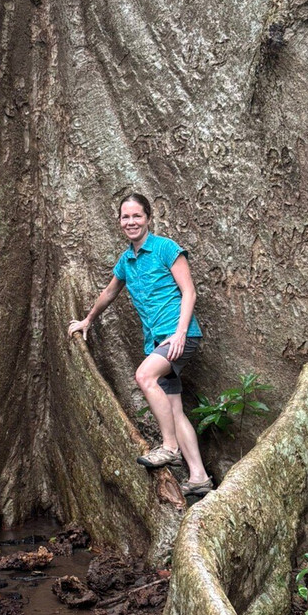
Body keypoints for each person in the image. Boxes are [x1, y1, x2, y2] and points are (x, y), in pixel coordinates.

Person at [68, 193, 213, 498]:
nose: (131, 222)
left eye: (137, 216)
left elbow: (189, 292)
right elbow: (109, 293)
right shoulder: (127, 261)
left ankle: (170, 447)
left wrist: (181, 333)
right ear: (119, 222)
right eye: (125, 217)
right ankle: (199, 476)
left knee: (145, 377)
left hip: (178, 336)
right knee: (174, 408)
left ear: (148, 218)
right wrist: (88, 320)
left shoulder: (165, 248)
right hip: (158, 341)